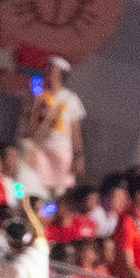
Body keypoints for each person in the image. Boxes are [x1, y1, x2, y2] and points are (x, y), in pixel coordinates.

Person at [20, 56, 86, 196]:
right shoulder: (37, 94)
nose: (48, 72)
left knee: (58, 194)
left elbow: (75, 131)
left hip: (61, 154)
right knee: (26, 186)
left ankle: (47, 215)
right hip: (38, 151)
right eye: (48, 69)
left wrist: (78, 155)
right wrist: (36, 103)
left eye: (53, 70)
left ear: (61, 74)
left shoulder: (71, 99)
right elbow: (28, 125)